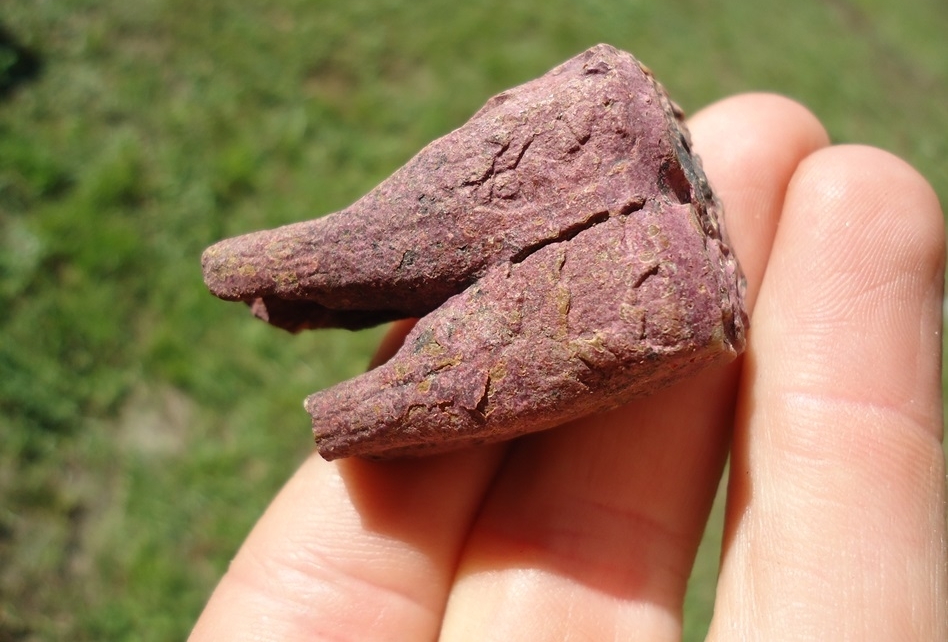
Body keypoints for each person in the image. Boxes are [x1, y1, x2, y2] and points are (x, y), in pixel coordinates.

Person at [189, 94, 947, 640]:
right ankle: (310, 295)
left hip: (664, 284)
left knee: (361, 379)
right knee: (340, 289)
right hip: (628, 182)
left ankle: (336, 351)